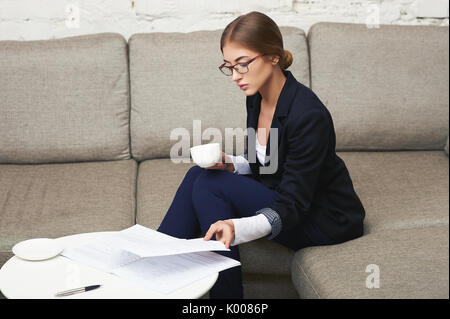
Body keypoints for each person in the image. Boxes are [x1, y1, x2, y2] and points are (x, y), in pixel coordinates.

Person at [157, 11, 366, 299]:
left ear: (273, 57)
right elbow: (265, 161)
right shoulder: (257, 97)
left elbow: (293, 204)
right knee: (199, 174)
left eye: (242, 65)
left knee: (209, 183)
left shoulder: (309, 116)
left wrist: (236, 227)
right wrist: (231, 164)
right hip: (284, 194)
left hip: (324, 219)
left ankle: (209, 291)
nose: (234, 77)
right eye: (228, 67)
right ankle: (154, 264)